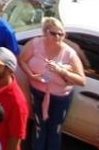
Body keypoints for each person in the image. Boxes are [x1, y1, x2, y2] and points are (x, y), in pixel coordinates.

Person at [19, 17, 86, 150]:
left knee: (54, 130)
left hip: (60, 97)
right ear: (45, 32)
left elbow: (82, 80)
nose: (57, 37)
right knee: (40, 126)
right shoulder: (35, 44)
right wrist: (31, 75)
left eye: (61, 34)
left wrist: (62, 71)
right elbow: (22, 60)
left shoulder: (69, 53)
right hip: (37, 92)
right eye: (53, 33)